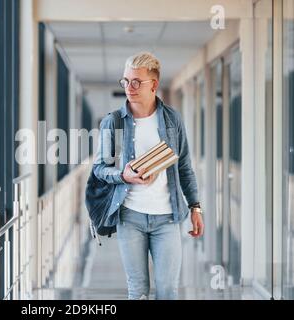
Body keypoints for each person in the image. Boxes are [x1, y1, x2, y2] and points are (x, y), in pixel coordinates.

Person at [92, 51, 204, 300]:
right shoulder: (113, 122)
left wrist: (196, 208)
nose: (128, 87)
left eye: (135, 82)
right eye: (125, 81)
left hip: (167, 218)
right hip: (130, 217)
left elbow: (184, 167)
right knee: (137, 290)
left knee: (167, 291)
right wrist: (124, 174)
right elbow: (99, 169)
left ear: (153, 84)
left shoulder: (172, 119)